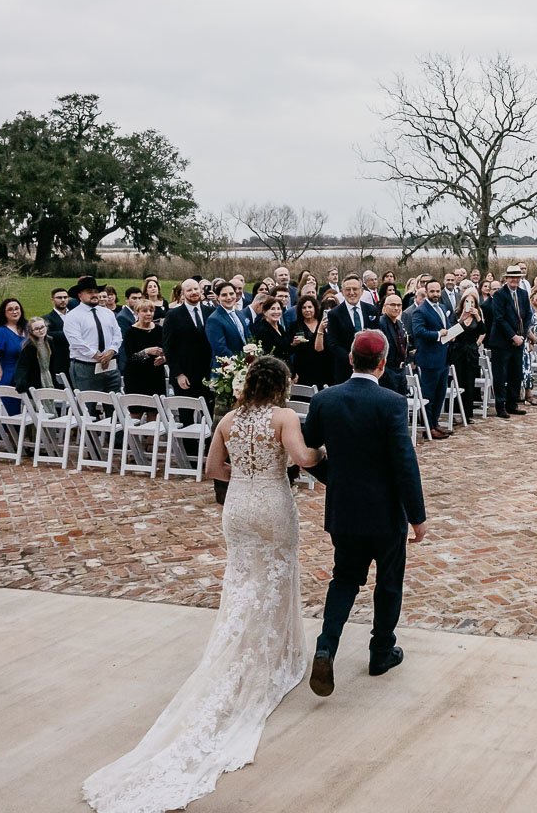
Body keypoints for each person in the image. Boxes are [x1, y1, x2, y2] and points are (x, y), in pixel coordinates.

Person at [82, 356, 321, 813]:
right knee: (275, 581)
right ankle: (277, 656)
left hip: (239, 507)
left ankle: (248, 648)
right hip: (272, 505)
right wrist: (321, 454)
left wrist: (247, 478)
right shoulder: (285, 416)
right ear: (281, 386)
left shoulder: (229, 419)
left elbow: (213, 469)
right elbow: (302, 459)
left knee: (244, 584)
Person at [302, 331, 426, 697]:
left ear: (350, 360)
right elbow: (404, 462)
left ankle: (326, 646)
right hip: (385, 512)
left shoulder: (326, 399)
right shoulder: (391, 402)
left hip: (345, 510)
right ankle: (381, 651)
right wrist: (417, 516)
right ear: (383, 363)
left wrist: (331, 477)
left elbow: (308, 449)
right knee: (388, 582)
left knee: (344, 579)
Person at [486, 264, 533, 418]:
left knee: (516, 374)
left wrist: (522, 336)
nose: (515, 280)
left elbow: (528, 316)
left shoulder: (523, 294)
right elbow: (499, 319)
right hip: (502, 341)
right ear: (506, 278)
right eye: (512, 277)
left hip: (519, 340)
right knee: (500, 375)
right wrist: (513, 336)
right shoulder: (500, 295)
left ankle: (512, 404)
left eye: (517, 277)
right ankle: (500, 406)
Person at [65, 276, 123, 393]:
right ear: (80, 295)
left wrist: (111, 351)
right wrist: (96, 355)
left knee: (114, 404)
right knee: (88, 406)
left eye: (96, 291)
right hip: (86, 367)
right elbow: (76, 341)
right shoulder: (73, 316)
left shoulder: (108, 313)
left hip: (110, 366)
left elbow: (117, 335)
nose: (94, 295)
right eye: (90, 292)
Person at [411, 279, 454, 437]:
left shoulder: (442, 307)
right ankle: (428, 427)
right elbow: (418, 332)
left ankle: (435, 422)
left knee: (440, 392)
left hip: (443, 357)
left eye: (437, 291)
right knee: (429, 393)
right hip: (429, 358)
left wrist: (451, 333)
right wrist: (437, 334)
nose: (436, 294)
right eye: (432, 292)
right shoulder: (421, 311)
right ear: (426, 292)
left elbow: (446, 326)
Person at [163, 278, 214, 406]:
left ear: (200, 290)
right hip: (185, 375)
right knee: (187, 418)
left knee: (208, 415)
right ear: (183, 293)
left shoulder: (210, 312)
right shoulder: (173, 315)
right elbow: (168, 347)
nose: (193, 292)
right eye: (189, 290)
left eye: (196, 289)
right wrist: (178, 374)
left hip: (207, 374)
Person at [325, 275, 377, 384]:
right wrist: (351, 358)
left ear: (362, 291)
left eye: (355, 289)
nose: (351, 292)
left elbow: (378, 336)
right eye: (348, 289)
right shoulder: (334, 314)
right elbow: (333, 343)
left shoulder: (372, 310)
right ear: (342, 292)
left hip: (370, 368)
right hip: (345, 370)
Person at [448, 292, 488, 413]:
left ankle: (467, 412)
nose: (469, 304)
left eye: (472, 302)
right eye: (466, 301)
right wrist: (461, 319)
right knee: (457, 380)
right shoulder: (456, 315)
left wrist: (478, 317)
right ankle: (454, 410)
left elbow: (483, 331)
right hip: (458, 350)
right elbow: (451, 333)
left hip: (471, 351)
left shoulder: (477, 315)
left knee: (470, 381)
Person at [118, 300, 168, 397]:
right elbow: (131, 358)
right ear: (137, 313)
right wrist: (147, 351)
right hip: (136, 376)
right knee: (136, 410)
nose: (149, 313)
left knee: (155, 409)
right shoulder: (130, 332)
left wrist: (164, 358)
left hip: (155, 375)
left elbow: (168, 350)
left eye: (151, 311)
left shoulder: (159, 330)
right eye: (145, 311)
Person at [0, 297, 27, 412]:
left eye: (17, 308)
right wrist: (0, 377)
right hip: (6, 376)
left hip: (23, 376)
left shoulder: (26, 329)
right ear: (4, 313)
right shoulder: (0, 332)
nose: (14, 312)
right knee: (6, 413)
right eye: (10, 309)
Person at [12, 317, 70, 400]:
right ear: (31, 331)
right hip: (35, 380)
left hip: (49, 377)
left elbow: (52, 363)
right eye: (37, 329)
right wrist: (21, 383)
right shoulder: (29, 347)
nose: (41, 330)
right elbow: (22, 366)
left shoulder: (49, 341)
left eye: (42, 327)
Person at [205, 281, 251, 370]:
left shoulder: (240, 314)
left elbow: (248, 337)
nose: (229, 297)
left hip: (244, 366)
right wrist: (240, 362)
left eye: (231, 293)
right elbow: (220, 348)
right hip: (226, 369)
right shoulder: (214, 319)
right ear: (218, 297)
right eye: (224, 295)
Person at [287, 296, 330, 389]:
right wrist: (294, 343)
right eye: (304, 308)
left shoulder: (323, 324)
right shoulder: (294, 326)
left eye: (310, 307)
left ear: (315, 308)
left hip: (322, 366)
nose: (307, 310)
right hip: (302, 367)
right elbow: (288, 349)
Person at [375, 293, 411, 397]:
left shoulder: (399, 323)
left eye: (399, 305)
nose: (396, 308)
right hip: (387, 371)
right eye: (393, 305)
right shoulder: (381, 323)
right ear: (385, 307)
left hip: (400, 370)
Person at [251, 296, 290, 361]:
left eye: (278, 308)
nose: (276, 312)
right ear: (264, 312)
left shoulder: (280, 327)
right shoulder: (263, 330)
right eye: (272, 309)